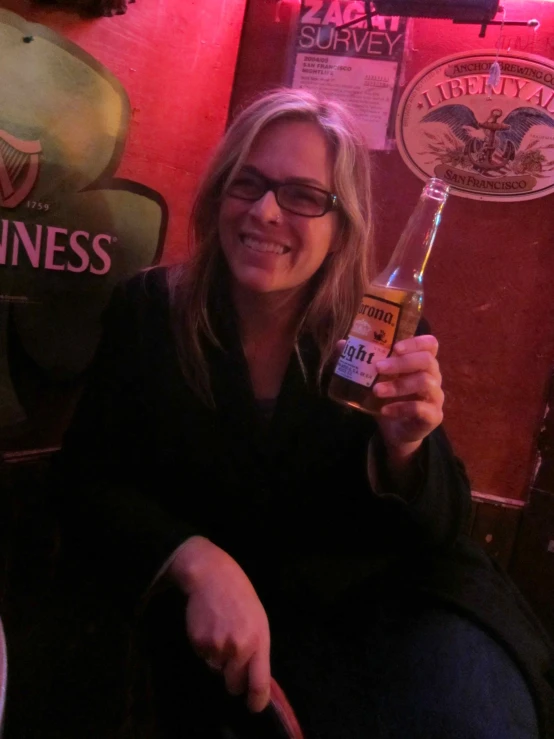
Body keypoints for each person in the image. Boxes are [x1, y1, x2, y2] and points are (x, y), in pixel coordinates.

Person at [51, 88, 554, 739]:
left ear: (341, 223)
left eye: (303, 195)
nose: (264, 212)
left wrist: (404, 449)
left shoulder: (381, 328)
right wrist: (196, 560)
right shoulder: (149, 311)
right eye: (248, 183)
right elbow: (88, 479)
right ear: (218, 192)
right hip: (265, 614)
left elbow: (441, 531)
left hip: (408, 601)